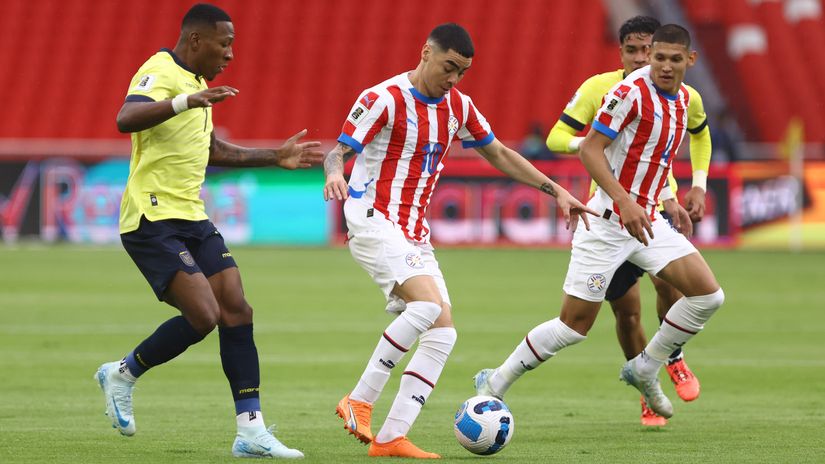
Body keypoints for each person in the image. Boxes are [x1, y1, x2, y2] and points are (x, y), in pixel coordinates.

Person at [323, 23, 595, 459]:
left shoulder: (458, 107)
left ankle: (391, 438)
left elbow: (500, 154)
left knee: (443, 333)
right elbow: (337, 151)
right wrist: (334, 172)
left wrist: (557, 190)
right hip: (373, 218)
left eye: (462, 72)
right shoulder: (383, 98)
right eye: (449, 67)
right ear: (426, 51)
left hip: (414, 232)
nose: (453, 79)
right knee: (427, 306)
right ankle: (359, 399)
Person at [93, 3, 323, 459]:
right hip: (151, 218)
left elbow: (212, 149)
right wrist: (183, 101)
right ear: (196, 40)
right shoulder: (161, 71)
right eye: (225, 43)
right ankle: (123, 373)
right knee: (204, 315)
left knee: (236, 307)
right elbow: (126, 118)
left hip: (191, 215)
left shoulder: (199, 87)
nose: (230, 54)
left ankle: (250, 430)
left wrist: (273, 157)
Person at [474, 24, 725, 423]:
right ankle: (494, 382)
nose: (660, 65)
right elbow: (590, 146)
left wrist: (671, 197)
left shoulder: (684, 102)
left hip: (649, 219)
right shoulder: (626, 94)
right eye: (656, 57)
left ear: (689, 61)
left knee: (708, 296)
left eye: (672, 59)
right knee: (573, 327)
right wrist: (624, 200)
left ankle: (646, 366)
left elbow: (652, 159)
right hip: (608, 222)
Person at [545, 15, 713, 426]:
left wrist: (691, 187)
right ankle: (645, 389)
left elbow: (690, 137)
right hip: (608, 211)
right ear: (620, 52)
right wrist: (592, 144)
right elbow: (555, 138)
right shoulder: (600, 89)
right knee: (627, 313)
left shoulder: (676, 92)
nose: (642, 59)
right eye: (633, 51)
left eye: (648, 51)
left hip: (654, 203)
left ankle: (671, 357)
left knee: (672, 283)